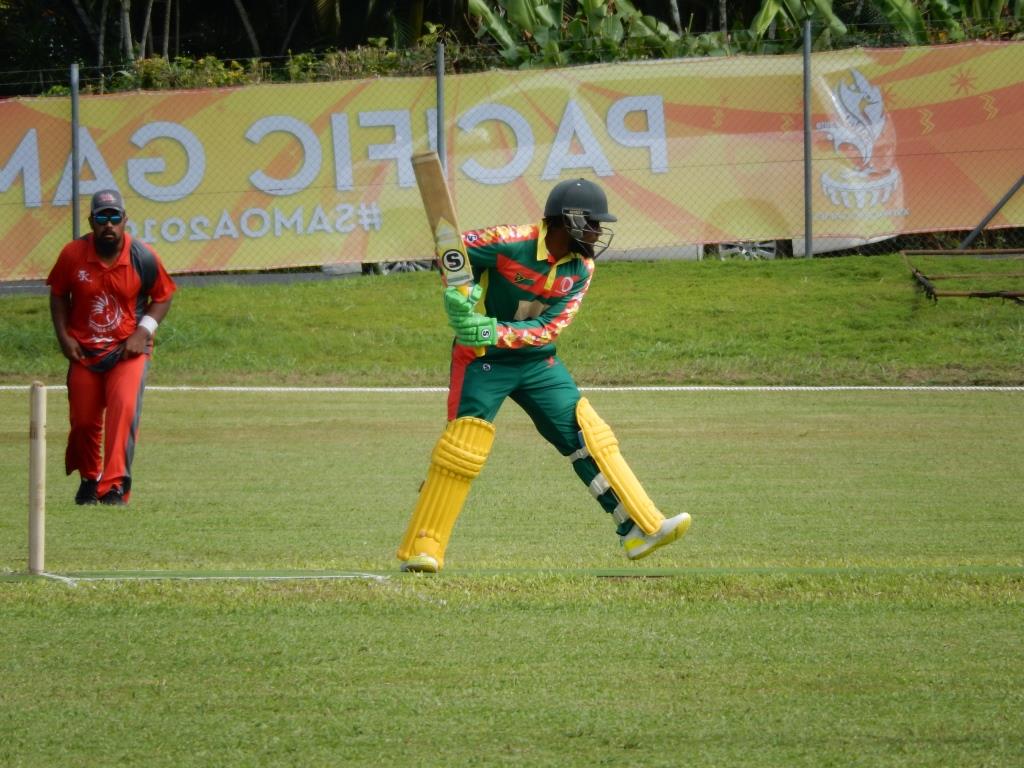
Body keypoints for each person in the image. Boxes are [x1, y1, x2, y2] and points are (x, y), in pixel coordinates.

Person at [397, 178, 691, 573]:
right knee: (462, 448)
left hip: (537, 361)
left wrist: (492, 329)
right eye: (593, 223)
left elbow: (551, 327)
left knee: (589, 434)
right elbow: (451, 254)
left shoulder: (582, 268)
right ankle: (424, 547)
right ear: (566, 220)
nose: (598, 233)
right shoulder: (507, 240)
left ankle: (639, 528)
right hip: (482, 360)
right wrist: (458, 295)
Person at [46, 189, 176, 506]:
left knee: (122, 411)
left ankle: (115, 486)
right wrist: (65, 337)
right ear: (91, 221)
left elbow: (163, 295)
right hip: (84, 352)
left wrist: (142, 331)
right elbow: (59, 294)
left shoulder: (143, 256)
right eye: (102, 217)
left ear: (124, 220)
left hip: (128, 351)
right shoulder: (72, 255)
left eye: (114, 217)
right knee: (83, 421)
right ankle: (90, 480)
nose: (108, 224)